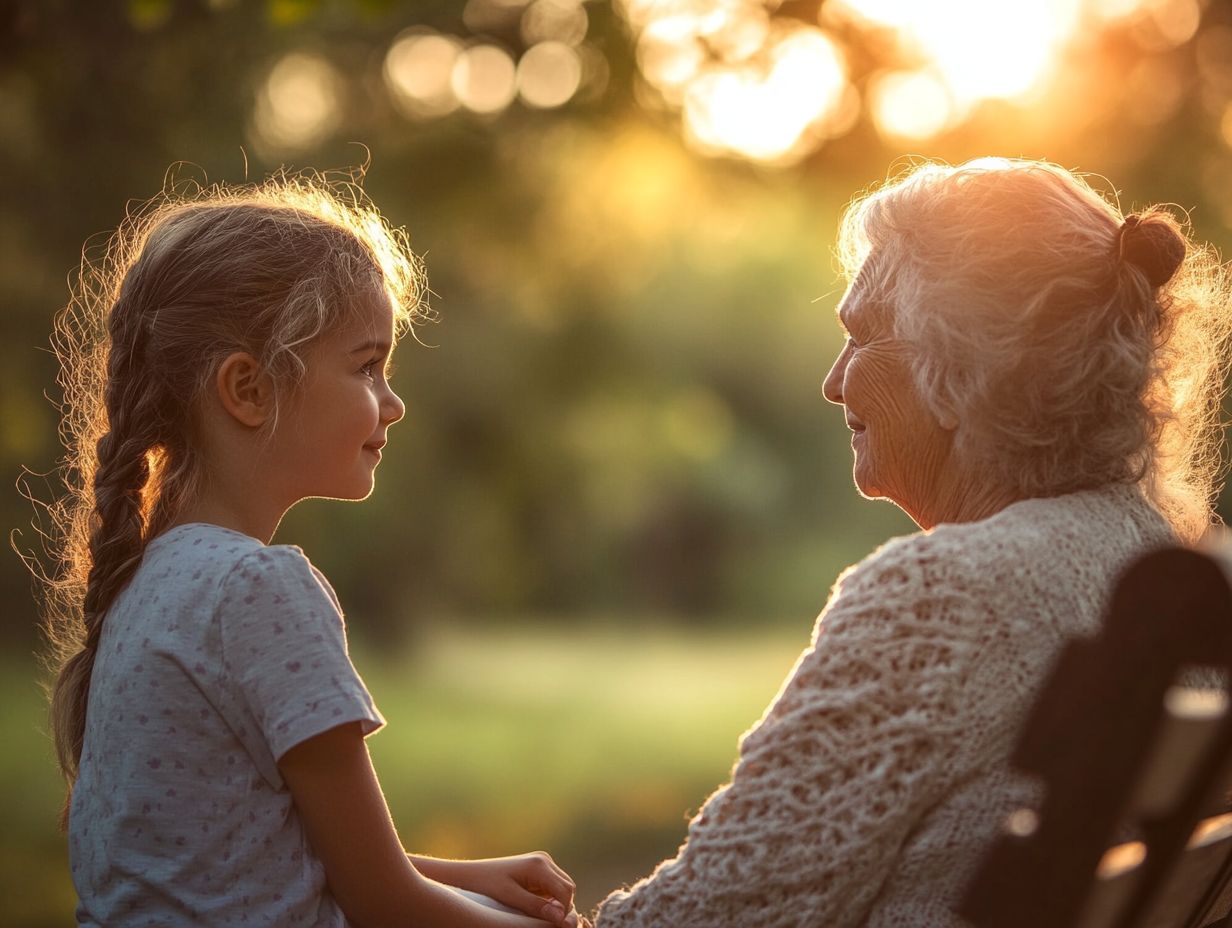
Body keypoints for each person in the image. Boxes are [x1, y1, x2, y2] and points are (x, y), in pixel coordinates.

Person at [592, 158, 1232, 928]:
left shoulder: (946, 596)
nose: (833, 382)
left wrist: (410, 896)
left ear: (962, 368)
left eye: (862, 336)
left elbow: (697, 921)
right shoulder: (1165, 558)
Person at [39, 174, 585, 928]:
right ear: (249, 389)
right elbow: (384, 903)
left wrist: (470, 877)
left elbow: (243, 855)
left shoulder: (145, 583)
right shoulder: (258, 589)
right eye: (366, 366)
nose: (393, 403)